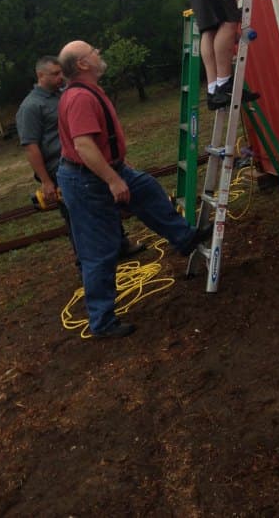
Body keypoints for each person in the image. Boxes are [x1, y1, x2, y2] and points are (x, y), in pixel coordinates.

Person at [56, 41, 212, 339]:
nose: (98, 53)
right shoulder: (79, 98)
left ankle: (184, 237)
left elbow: (97, 142)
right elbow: (84, 146)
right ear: (82, 65)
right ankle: (102, 322)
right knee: (100, 250)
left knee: (147, 189)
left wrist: (118, 166)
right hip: (88, 180)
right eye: (92, 51)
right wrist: (113, 180)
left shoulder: (89, 90)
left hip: (105, 168)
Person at [15, 55, 144, 263]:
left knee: (106, 201)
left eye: (61, 73)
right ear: (40, 75)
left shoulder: (66, 94)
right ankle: (85, 262)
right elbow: (31, 147)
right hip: (60, 169)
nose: (60, 77)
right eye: (55, 74)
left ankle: (120, 245)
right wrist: (47, 181)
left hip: (87, 161)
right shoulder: (31, 107)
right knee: (77, 217)